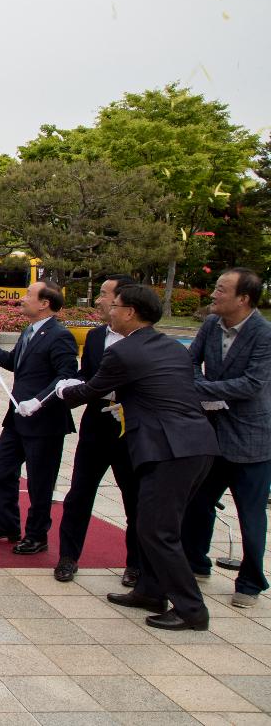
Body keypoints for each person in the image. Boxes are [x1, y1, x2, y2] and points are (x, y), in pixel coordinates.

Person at [56, 284, 218, 631]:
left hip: (170, 451)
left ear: (130, 312)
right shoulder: (172, 348)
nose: (108, 310)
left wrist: (60, 392)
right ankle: (149, 590)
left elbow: (89, 391)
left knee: (158, 530)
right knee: (151, 523)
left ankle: (192, 610)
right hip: (197, 446)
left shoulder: (125, 352)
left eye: (113, 305)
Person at [181, 267, 271, 609]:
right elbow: (190, 361)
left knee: (250, 515)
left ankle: (250, 581)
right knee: (198, 503)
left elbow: (252, 384)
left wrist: (201, 388)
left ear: (243, 299)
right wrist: (199, 388)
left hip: (251, 438)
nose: (214, 295)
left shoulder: (264, 334)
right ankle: (195, 563)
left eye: (221, 290)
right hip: (210, 432)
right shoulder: (209, 325)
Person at [0, 281, 77, 555]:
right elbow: (12, 362)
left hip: (44, 421)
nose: (22, 298)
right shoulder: (29, 331)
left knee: (40, 481)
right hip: (17, 418)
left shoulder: (59, 335)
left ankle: (37, 535)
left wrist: (39, 400)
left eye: (29, 294)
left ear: (44, 303)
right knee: (3, 469)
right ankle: (7, 524)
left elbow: (65, 376)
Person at [53, 275, 142, 585]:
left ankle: (135, 564)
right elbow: (87, 376)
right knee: (79, 494)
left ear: (125, 304)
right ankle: (68, 556)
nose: (99, 301)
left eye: (105, 295)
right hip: (96, 425)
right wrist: (64, 390)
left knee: (134, 498)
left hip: (131, 426)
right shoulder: (95, 337)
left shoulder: (145, 341)